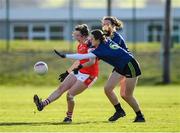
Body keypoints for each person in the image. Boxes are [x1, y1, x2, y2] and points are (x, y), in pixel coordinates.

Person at [54, 29, 145, 122]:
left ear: (98, 40)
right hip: (120, 67)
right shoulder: (105, 41)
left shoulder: (100, 50)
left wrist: (65, 56)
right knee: (107, 89)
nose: (90, 40)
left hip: (130, 65)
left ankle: (140, 116)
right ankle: (119, 111)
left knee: (127, 95)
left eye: (92, 39)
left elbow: (82, 57)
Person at [33, 24, 99, 123]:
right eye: (75, 35)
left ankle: (69, 117)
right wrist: (67, 72)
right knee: (61, 88)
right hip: (80, 71)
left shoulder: (90, 45)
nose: (75, 37)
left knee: (70, 95)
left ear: (84, 36)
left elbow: (92, 61)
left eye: (77, 35)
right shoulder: (80, 45)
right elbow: (78, 61)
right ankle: (42, 104)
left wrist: (78, 68)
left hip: (90, 75)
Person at [101, 16, 132, 121]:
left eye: (107, 24)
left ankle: (136, 114)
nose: (104, 25)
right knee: (113, 91)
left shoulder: (116, 37)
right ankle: (120, 111)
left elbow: (111, 52)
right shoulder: (105, 37)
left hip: (127, 65)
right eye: (103, 23)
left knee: (124, 94)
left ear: (113, 26)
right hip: (120, 66)